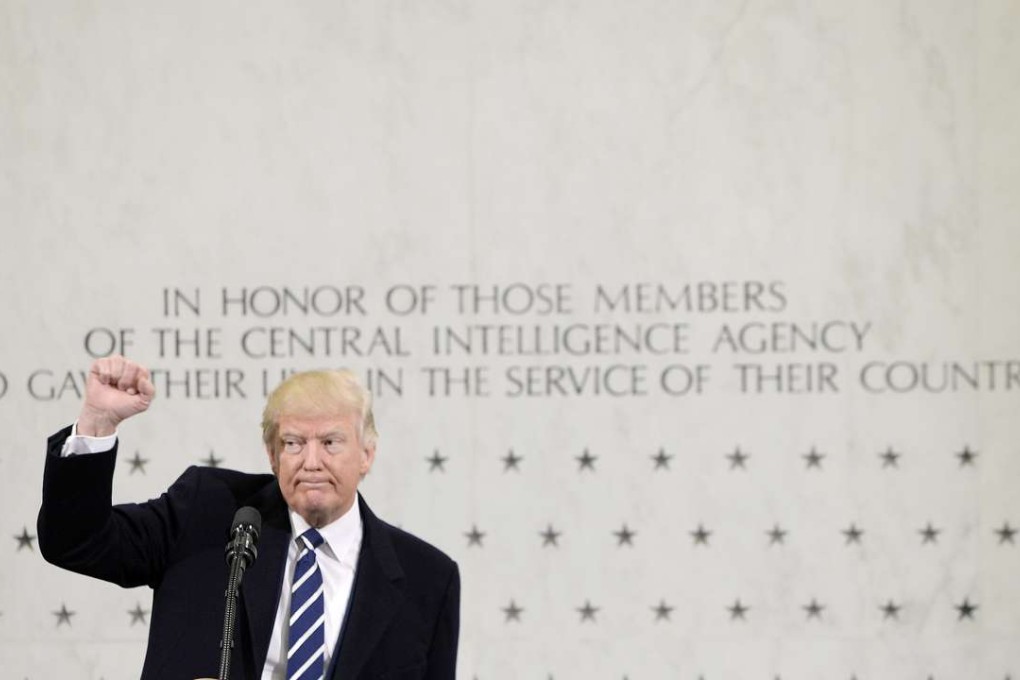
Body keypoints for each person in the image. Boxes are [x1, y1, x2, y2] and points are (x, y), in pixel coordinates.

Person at [38, 355, 459, 680]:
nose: (311, 461)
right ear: (273, 456)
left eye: (331, 442)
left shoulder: (427, 579)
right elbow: (77, 541)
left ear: (367, 454)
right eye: (293, 443)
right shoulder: (208, 512)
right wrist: (98, 421)